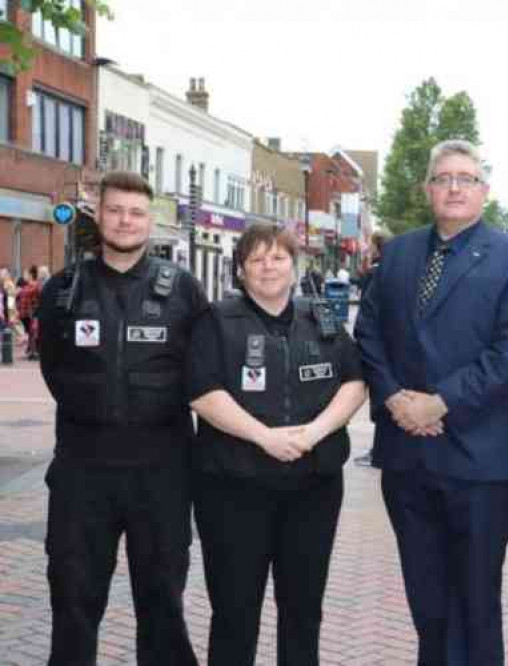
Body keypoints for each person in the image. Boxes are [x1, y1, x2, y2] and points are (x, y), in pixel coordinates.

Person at [354, 139, 508, 665]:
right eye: (443, 178)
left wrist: (437, 404)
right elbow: (369, 333)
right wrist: (393, 399)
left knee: (476, 602)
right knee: (427, 602)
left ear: (484, 190)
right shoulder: (398, 254)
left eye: (466, 178)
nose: (454, 187)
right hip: (407, 458)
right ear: (428, 188)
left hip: (479, 461)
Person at [36, 171, 205, 666]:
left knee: (162, 602)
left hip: (162, 473)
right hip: (81, 473)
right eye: (115, 210)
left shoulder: (184, 291)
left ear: (149, 220)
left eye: (135, 212)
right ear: (98, 213)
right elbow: (53, 369)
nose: (125, 221)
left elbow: (203, 375)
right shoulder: (62, 291)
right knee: (72, 600)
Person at [187, 223, 366, 665]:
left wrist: (314, 433)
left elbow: (355, 381)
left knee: (304, 610)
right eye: (257, 259)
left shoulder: (322, 318)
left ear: (294, 264)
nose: (268, 267)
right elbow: (203, 392)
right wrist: (263, 437)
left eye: (278, 257)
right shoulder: (216, 322)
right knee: (234, 611)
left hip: (313, 488)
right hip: (234, 489)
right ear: (241, 270)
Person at [354, 228, 391, 467]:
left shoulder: (377, 272)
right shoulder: (395, 268)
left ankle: (379, 451)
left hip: (379, 344)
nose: (367, 247)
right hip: (390, 343)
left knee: (381, 401)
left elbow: (367, 312)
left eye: (370, 244)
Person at [17, 265, 41, 359]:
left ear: (31, 275)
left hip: (32, 313)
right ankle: (31, 350)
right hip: (25, 314)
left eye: (25, 274)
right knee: (30, 332)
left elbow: (38, 299)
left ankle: (34, 351)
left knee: (33, 332)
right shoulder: (27, 286)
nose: (24, 276)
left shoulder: (35, 286)